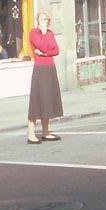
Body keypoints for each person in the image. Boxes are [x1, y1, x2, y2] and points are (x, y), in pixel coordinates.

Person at [27, 10, 63, 144]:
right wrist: (42, 34)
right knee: (37, 100)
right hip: (40, 68)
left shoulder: (51, 33)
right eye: (42, 19)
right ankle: (31, 134)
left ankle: (45, 132)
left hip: (50, 67)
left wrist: (44, 53)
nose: (45, 21)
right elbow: (41, 45)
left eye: (46, 19)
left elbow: (56, 50)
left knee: (47, 100)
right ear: (38, 20)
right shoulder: (33, 32)